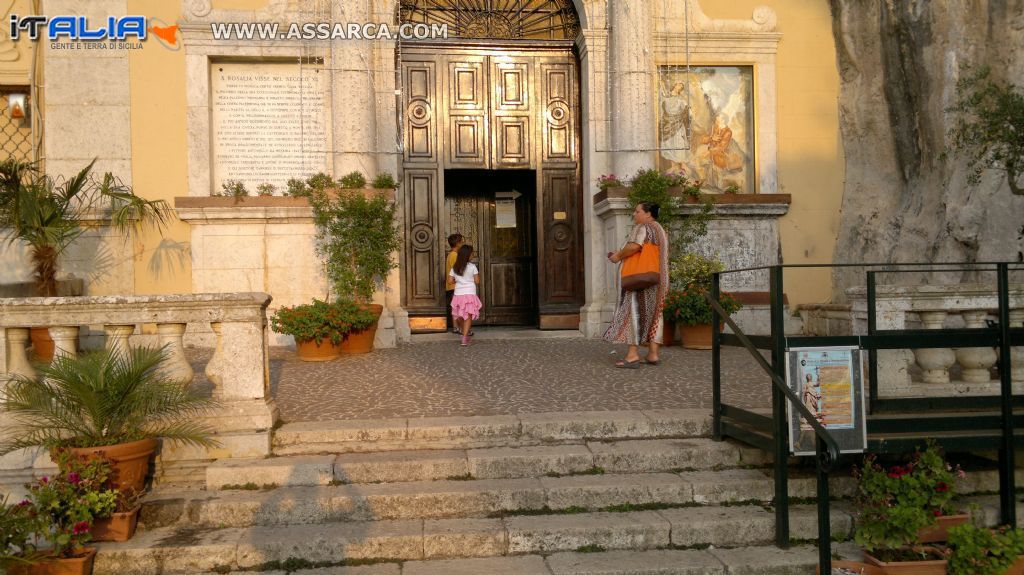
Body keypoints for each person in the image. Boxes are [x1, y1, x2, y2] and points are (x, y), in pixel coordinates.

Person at [603, 202, 670, 368]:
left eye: (637, 211)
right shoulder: (660, 229)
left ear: (648, 214)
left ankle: (632, 355)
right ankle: (653, 354)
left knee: (633, 311)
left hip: (638, 279)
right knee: (655, 313)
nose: (634, 214)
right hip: (658, 279)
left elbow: (634, 246)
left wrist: (618, 256)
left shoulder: (643, 227)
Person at [449, 244, 481, 347]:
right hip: (470, 293)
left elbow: (450, 281)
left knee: (459, 316)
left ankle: (464, 334)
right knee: (468, 316)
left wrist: (458, 281)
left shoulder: (455, 267)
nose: (473, 255)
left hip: (458, 294)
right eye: (472, 253)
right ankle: (464, 337)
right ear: (468, 255)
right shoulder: (472, 267)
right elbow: (477, 281)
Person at [445, 233, 468, 335]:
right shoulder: (454, 255)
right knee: (458, 307)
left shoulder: (451, 255)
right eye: (461, 242)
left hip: (452, 285)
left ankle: (455, 327)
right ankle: (458, 327)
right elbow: (457, 270)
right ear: (458, 244)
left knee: (455, 307)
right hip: (455, 285)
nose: (462, 243)